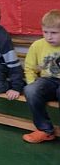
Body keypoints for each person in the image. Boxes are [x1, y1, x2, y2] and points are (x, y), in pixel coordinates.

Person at [22, 10, 60, 143]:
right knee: (30, 90)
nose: (49, 37)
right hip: (48, 81)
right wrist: (32, 84)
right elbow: (29, 68)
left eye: (54, 33)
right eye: (45, 32)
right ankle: (45, 130)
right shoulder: (37, 45)